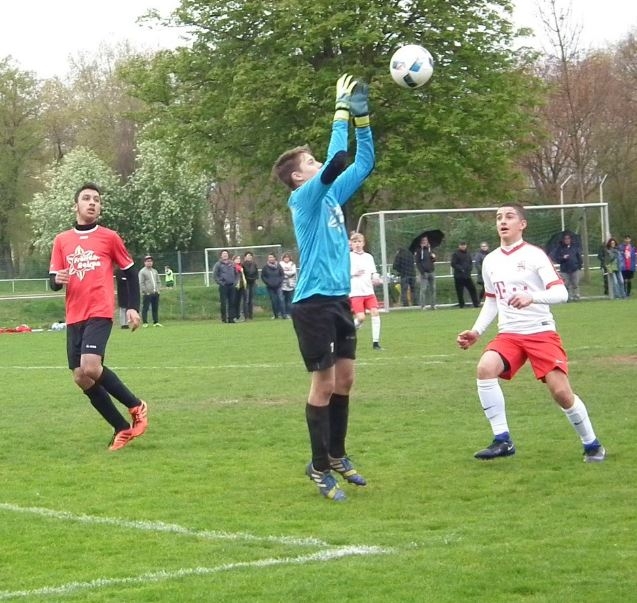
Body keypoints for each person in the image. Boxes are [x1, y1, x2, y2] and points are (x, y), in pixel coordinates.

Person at [272, 73, 374, 501]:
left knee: (346, 380)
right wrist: (340, 111)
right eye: (310, 162)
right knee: (324, 385)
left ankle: (336, 454)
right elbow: (336, 162)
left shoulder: (331, 196)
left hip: (338, 300)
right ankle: (318, 467)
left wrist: (363, 120)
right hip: (312, 304)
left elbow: (362, 164)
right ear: (299, 177)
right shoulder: (304, 199)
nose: (318, 164)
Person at [456, 203, 605, 463]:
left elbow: (561, 293)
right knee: (485, 368)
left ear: (522, 224)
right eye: (499, 217)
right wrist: (477, 331)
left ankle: (592, 444)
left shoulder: (535, 255)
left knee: (561, 393)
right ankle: (502, 440)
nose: (503, 221)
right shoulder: (490, 260)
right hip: (509, 334)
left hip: (540, 332)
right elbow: (492, 299)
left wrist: (532, 297)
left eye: (509, 216)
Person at [48, 182, 148, 451]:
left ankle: (136, 406)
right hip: (74, 315)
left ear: (100, 208)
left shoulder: (109, 237)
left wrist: (132, 307)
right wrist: (56, 279)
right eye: (86, 198)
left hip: (99, 311)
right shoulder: (61, 240)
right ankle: (121, 428)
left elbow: (129, 272)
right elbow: (53, 280)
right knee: (81, 376)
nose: (92, 202)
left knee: (91, 366)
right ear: (76, 206)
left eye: (96, 199)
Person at [349, 232, 382, 350]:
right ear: (351, 244)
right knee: (361, 318)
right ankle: (349, 330)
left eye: (359, 241)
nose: (357, 244)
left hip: (369, 292)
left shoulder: (369, 257)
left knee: (375, 313)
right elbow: (342, 274)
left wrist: (376, 277)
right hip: (356, 292)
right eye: (355, 242)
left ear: (363, 243)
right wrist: (354, 273)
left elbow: (373, 272)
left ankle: (376, 343)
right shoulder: (348, 257)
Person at [551, 233, 582, 301]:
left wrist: (579, 266)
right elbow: (557, 259)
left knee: (575, 283)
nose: (567, 240)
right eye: (565, 239)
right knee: (566, 284)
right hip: (564, 269)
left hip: (574, 268)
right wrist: (563, 258)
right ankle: (568, 297)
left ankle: (576, 296)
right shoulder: (560, 248)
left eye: (568, 238)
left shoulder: (574, 247)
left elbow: (579, 257)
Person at [451, 241, 480, 308]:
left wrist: (470, 268)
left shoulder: (468, 253)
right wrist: (461, 269)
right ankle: (461, 305)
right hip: (459, 276)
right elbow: (453, 264)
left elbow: (470, 262)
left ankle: (476, 304)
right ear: (459, 246)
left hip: (467, 276)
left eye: (464, 245)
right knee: (460, 291)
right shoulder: (455, 254)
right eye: (462, 245)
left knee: (472, 289)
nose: (463, 246)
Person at [212, 249, 237, 323]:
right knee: (223, 303)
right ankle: (224, 319)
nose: (225, 255)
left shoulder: (232, 263)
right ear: (221, 255)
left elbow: (237, 273)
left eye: (226, 253)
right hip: (223, 286)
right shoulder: (218, 264)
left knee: (232, 302)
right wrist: (221, 283)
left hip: (232, 286)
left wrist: (235, 282)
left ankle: (231, 318)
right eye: (223, 254)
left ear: (228, 255)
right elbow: (215, 275)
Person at [139, 255, 162, 327]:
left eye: (151, 261)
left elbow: (158, 281)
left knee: (155, 308)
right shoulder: (142, 271)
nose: (149, 262)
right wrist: (146, 291)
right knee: (145, 308)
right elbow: (141, 283)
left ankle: (156, 322)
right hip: (147, 293)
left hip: (155, 292)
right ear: (145, 262)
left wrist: (158, 290)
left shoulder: (155, 271)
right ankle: (145, 323)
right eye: (148, 261)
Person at [414, 235, 436, 310]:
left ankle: (433, 305)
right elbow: (418, 262)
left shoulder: (430, 249)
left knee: (433, 289)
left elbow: (433, 260)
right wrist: (422, 272)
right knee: (423, 289)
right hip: (424, 272)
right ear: (421, 242)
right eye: (423, 240)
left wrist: (433, 258)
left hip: (431, 271)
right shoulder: (419, 251)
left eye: (426, 240)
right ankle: (423, 305)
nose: (425, 242)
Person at [260, 253, 285, 319]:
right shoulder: (265, 267)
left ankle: (283, 315)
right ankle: (276, 315)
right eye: (269, 257)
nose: (270, 258)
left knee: (281, 299)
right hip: (270, 287)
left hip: (278, 286)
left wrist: (279, 282)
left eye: (271, 257)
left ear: (274, 258)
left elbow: (282, 275)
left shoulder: (279, 266)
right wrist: (268, 282)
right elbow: (263, 276)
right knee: (273, 301)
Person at [242, 251, 259, 320]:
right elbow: (243, 274)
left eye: (250, 256)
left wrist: (254, 279)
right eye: (248, 256)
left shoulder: (254, 264)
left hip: (252, 283)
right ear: (245, 257)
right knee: (246, 299)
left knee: (251, 300)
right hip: (246, 284)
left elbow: (256, 273)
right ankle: (245, 315)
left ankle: (251, 315)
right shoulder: (243, 265)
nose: (249, 257)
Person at [279, 252, 297, 319]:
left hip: (291, 284)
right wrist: (287, 273)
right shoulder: (280, 264)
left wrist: (285, 273)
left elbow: (293, 272)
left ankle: (289, 313)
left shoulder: (292, 264)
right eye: (285, 257)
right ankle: (282, 313)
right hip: (282, 284)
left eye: (287, 257)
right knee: (282, 300)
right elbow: (280, 272)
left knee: (289, 300)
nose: (286, 258)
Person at [232, 254, 247, 321]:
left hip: (241, 286)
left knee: (239, 301)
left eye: (239, 258)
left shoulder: (241, 267)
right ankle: (234, 316)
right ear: (234, 260)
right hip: (235, 286)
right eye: (237, 258)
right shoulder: (232, 267)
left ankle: (239, 316)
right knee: (234, 301)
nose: (238, 260)